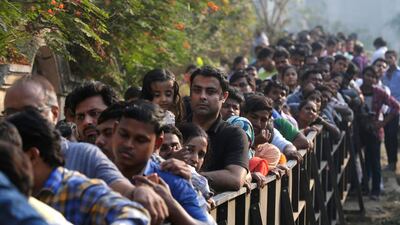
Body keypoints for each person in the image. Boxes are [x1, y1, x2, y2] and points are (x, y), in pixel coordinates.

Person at [3, 75, 168, 224]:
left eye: (29, 112)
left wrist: (140, 192)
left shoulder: (83, 157)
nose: (17, 120)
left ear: (54, 113)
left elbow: (124, 198)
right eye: (10, 113)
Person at [7, 109, 150, 225]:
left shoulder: (77, 189)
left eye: (6, 158)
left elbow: (133, 214)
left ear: (32, 156)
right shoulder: (15, 195)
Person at [111, 100, 213, 225]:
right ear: (115, 130)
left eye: (140, 140)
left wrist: (171, 205)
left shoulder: (172, 182)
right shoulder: (93, 169)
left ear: (157, 143)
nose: (128, 145)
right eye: (124, 135)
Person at [189, 66, 249, 192]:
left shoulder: (234, 134)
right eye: (197, 90)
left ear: (224, 96)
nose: (202, 96)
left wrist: (190, 176)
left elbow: (235, 178)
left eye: (210, 92)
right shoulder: (177, 128)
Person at [359, 66, 400, 199]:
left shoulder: (379, 92)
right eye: (367, 75)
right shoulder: (356, 91)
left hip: (375, 131)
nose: (369, 78)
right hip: (359, 130)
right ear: (362, 76)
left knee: (375, 160)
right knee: (362, 160)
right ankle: (364, 187)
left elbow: (396, 107)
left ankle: (376, 190)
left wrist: (383, 123)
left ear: (376, 79)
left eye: (373, 76)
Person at [242, 94, 302, 162]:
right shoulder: (234, 128)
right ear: (243, 114)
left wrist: (290, 152)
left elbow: (287, 146)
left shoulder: (268, 132)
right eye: (254, 117)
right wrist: (255, 143)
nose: (257, 123)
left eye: (263, 120)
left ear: (268, 121)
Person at [382, 50, 400, 171]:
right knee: (388, 136)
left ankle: (394, 163)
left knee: (394, 136)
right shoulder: (384, 75)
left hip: (397, 110)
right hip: (386, 110)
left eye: (391, 57)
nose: (389, 60)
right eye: (387, 58)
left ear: (395, 59)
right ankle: (391, 162)